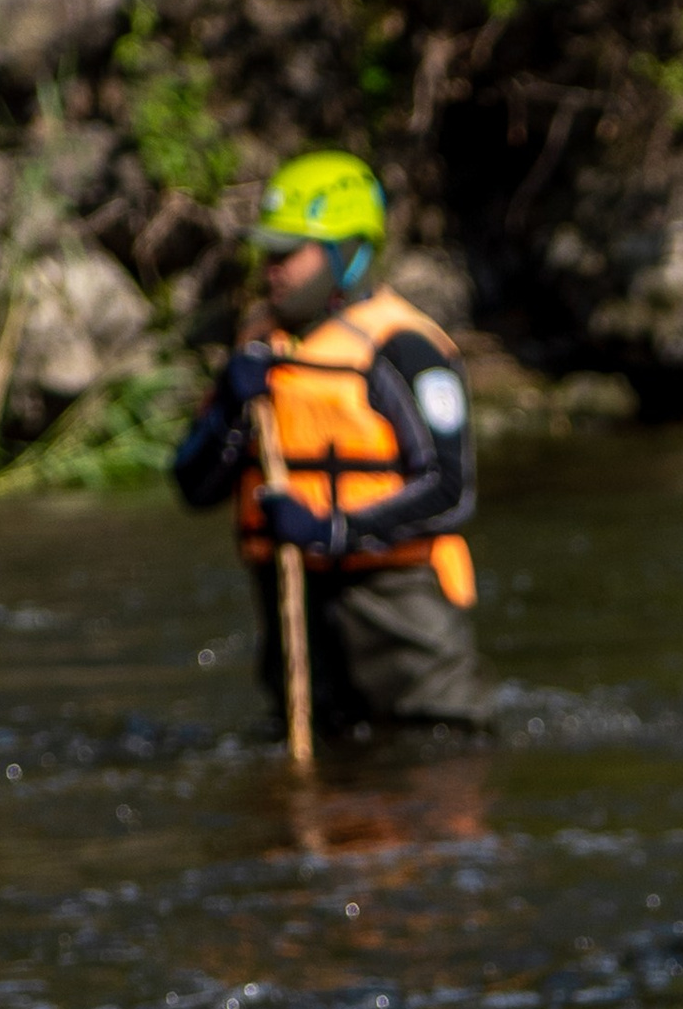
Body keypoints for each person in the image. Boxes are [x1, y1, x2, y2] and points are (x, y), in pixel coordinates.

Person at [171, 150, 490, 740]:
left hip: (400, 621)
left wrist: (330, 531)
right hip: (302, 632)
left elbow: (450, 492)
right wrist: (228, 411)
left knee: (432, 777)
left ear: (348, 252)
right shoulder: (258, 350)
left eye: (290, 253)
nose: (273, 270)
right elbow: (193, 485)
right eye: (267, 253)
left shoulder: (405, 350)